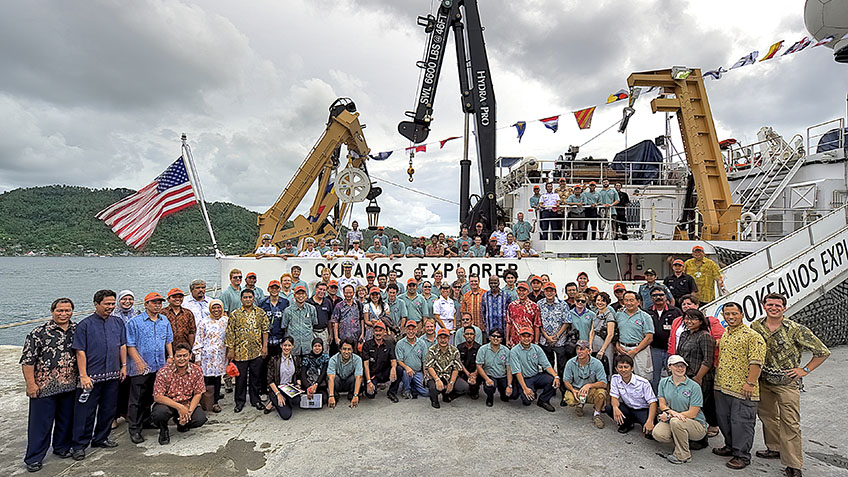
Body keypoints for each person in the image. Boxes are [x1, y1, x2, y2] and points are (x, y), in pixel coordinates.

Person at [751, 293, 830, 477]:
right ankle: (775, 448)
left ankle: (793, 464)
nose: (773, 308)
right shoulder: (756, 326)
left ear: (784, 308)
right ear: (764, 306)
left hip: (787, 383)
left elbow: (822, 352)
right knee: (768, 418)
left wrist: (805, 370)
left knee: (791, 423)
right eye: (770, 304)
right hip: (763, 381)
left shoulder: (796, 329)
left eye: (778, 305)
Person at [21, 298, 78, 472]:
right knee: (40, 424)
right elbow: (27, 361)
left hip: (69, 384)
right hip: (44, 386)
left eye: (67, 310)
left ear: (72, 311)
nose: (64, 314)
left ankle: (61, 448)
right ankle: (34, 457)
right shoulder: (38, 333)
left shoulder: (77, 330)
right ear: (52, 311)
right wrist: (30, 384)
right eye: (60, 310)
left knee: (66, 420)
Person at [71, 290, 126, 461]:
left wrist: (123, 366)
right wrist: (83, 375)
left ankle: (101, 438)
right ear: (96, 304)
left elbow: (122, 345)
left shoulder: (118, 322)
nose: (110, 307)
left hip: (112, 374)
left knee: (108, 410)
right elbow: (80, 351)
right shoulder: (85, 325)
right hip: (91, 378)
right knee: (85, 413)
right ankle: (79, 445)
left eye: (112, 304)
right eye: (106, 304)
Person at [712, 301, 766, 470]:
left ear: (742, 314)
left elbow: (756, 362)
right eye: (727, 314)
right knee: (724, 419)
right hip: (722, 386)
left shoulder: (753, 336)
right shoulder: (727, 333)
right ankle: (730, 446)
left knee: (742, 422)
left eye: (734, 314)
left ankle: (742, 455)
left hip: (743, 388)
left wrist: (750, 383)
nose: (730, 317)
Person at [125, 292, 174, 444]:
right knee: (137, 399)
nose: (157, 305)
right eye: (153, 302)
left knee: (150, 397)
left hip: (158, 365)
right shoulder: (135, 322)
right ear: (146, 304)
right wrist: (138, 361)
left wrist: (170, 356)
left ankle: (146, 421)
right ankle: (134, 429)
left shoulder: (164, 320)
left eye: (159, 302)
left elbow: (168, 340)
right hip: (141, 367)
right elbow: (130, 344)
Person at [653, 355, 707, 465]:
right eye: (676, 366)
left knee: (676, 422)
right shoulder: (663, 382)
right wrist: (671, 412)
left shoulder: (694, 386)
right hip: (675, 418)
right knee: (658, 433)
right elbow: (662, 405)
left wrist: (670, 416)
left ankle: (683, 455)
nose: (680, 369)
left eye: (683, 366)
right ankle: (682, 440)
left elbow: (693, 413)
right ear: (669, 367)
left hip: (696, 423)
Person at [150, 343, 207, 445]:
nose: (182, 359)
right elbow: (158, 396)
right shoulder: (164, 372)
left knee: (200, 418)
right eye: (179, 356)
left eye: (185, 355)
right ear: (174, 357)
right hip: (169, 404)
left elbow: (198, 393)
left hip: (187, 403)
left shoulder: (196, 370)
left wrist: (188, 413)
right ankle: (164, 430)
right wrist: (179, 407)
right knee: (159, 413)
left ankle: (183, 424)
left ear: (190, 356)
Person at [676, 308, 718, 445]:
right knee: (688, 407)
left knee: (700, 407)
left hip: (700, 377)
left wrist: (698, 378)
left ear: (700, 321)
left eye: (693, 319)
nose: (689, 321)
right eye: (687, 318)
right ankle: (690, 434)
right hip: (685, 376)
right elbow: (679, 355)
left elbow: (708, 360)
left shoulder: (704, 336)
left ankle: (701, 438)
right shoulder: (684, 335)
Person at [224, 289, 269, 413]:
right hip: (240, 352)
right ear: (241, 299)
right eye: (245, 297)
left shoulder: (260, 313)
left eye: (250, 297)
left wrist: (265, 347)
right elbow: (230, 333)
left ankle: (256, 400)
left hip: (256, 351)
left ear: (254, 298)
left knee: (256, 378)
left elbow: (265, 331)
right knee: (241, 379)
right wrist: (231, 350)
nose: (248, 299)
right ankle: (240, 401)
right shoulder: (235, 314)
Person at [509, 327, 560, 412]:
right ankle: (523, 389)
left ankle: (543, 400)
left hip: (536, 376)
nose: (526, 339)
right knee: (527, 401)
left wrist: (556, 376)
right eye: (524, 336)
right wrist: (525, 388)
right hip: (524, 378)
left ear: (532, 337)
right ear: (520, 337)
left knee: (552, 380)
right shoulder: (514, 351)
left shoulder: (537, 348)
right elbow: (517, 372)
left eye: (528, 336)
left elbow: (546, 365)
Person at [607, 354, 657, 436]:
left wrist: (650, 421)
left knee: (652, 434)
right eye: (620, 367)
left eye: (626, 367)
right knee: (609, 408)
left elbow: (653, 403)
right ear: (616, 369)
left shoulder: (643, 382)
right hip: (628, 407)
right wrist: (615, 408)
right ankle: (627, 424)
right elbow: (614, 396)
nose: (623, 370)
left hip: (642, 409)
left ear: (632, 368)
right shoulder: (615, 378)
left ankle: (647, 422)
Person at [192, 299, 228, 413]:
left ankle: (215, 402)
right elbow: (199, 340)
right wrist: (197, 357)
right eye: (214, 308)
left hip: (220, 356)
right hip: (206, 357)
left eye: (219, 308)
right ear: (210, 309)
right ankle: (204, 401)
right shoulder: (204, 322)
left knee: (217, 379)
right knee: (205, 380)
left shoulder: (226, 321)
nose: (216, 310)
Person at [562, 340, 607, 428]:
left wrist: (589, 385)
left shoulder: (597, 363)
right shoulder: (570, 363)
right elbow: (566, 381)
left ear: (589, 351)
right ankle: (579, 405)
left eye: (582, 349)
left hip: (591, 390)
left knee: (601, 393)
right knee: (569, 398)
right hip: (577, 390)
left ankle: (597, 414)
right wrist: (572, 390)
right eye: (578, 349)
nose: (579, 351)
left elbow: (604, 383)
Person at [645, 288, 682, 392]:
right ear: (651, 298)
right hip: (654, 349)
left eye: (661, 295)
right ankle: (656, 401)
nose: (658, 297)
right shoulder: (647, 312)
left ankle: (673, 398)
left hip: (671, 350)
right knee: (655, 377)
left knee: (674, 375)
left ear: (666, 297)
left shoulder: (675, 311)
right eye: (655, 295)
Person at [111, 290, 138, 424]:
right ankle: (114, 416)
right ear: (119, 300)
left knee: (131, 384)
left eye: (130, 299)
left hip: (133, 353)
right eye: (124, 299)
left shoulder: (137, 314)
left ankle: (127, 412)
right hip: (116, 353)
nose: (127, 302)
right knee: (117, 385)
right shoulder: (113, 315)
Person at [615, 291, 654, 380]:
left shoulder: (645, 316)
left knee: (642, 377)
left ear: (638, 302)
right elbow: (616, 332)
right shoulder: (618, 315)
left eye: (632, 300)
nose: (629, 303)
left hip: (640, 350)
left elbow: (649, 337)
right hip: (622, 349)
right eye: (626, 300)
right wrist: (617, 346)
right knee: (623, 376)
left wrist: (635, 351)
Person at [424, 328, 467, 409]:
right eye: (441, 338)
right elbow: (429, 367)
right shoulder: (431, 350)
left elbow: (456, 368)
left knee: (464, 387)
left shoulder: (455, 350)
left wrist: (451, 383)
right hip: (435, 376)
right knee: (434, 388)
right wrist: (437, 380)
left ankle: (448, 395)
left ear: (449, 338)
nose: (443, 340)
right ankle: (434, 399)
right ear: (437, 339)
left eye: (445, 338)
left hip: (448, 375)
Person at [537, 281, 569, 383]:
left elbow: (566, 322)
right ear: (544, 292)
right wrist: (547, 337)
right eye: (547, 291)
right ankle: (550, 388)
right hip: (544, 341)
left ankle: (563, 389)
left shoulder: (563, 304)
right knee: (547, 366)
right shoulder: (539, 304)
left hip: (560, 341)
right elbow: (538, 323)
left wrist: (556, 336)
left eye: (551, 291)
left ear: (555, 292)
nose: (549, 293)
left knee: (561, 366)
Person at [362, 322, 400, 402]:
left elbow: (393, 359)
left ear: (384, 332)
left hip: (385, 373)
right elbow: (366, 365)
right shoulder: (367, 345)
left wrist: (393, 368)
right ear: (373, 332)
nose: (378, 333)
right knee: (370, 395)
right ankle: (365, 387)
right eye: (376, 331)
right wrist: (369, 381)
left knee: (399, 370)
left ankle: (391, 392)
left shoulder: (389, 344)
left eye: (380, 331)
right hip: (373, 375)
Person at [264, 337, 301, 419]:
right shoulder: (274, 360)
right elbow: (270, 380)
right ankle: (274, 401)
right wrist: (278, 394)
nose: (287, 348)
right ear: (281, 346)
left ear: (292, 347)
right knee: (286, 415)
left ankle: (275, 403)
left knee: (296, 401)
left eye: (289, 345)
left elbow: (298, 374)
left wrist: (298, 385)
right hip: (276, 388)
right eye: (285, 345)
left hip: (289, 388)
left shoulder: (295, 359)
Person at [475, 329, 512, 407]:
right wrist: (487, 379)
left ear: (502, 339)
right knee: (489, 387)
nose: (496, 338)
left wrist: (509, 385)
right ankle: (490, 397)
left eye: (498, 337)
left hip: (503, 376)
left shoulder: (506, 350)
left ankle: (503, 393)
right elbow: (479, 366)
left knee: (511, 394)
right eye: (493, 336)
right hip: (490, 375)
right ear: (489, 337)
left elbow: (509, 368)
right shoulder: (483, 349)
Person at [281, 286, 319, 361]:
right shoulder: (288, 311)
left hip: (308, 345)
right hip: (293, 346)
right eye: (298, 294)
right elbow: (284, 326)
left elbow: (314, 323)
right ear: (294, 296)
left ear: (306, 296)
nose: (300, 296)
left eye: (303, 294)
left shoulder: (312, 309)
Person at [395, 321, 429, 399]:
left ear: (416, 330)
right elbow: (399, 360)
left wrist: (425, 375)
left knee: (426, 393)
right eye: (409, 329)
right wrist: (407, 368)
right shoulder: (400, 343)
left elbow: (424, 360)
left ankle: (413, 386)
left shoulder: (422, 343)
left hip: (418, 372)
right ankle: (406, 390)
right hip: (406, 372)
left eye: (413, 329)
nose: (411, 331)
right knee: (406, 374)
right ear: (405, 330)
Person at [327, 339, 363, 409]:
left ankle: (352, 395)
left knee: (357, 378)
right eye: (344, 349)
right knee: (332, 378)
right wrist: (331, 396)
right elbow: (330, 378)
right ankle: (335, 396)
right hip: (338, 382)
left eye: (349, 349)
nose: (346, 352)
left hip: (348, 382)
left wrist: (356, 395)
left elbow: (359, 377)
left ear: (352, 350)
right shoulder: (333, 359)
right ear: (340, 349)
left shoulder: (357, 359)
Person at [259, 280, 289, 355]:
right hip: (266, 340)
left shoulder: (285, 303)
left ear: (280, 289)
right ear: (268, 289)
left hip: (280, 339)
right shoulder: (262, 303)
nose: (274, 290)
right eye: (272, 288)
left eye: (276, 288)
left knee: (278, 363)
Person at [300, 338, 330, 406]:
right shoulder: (307, 358)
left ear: (322, 347)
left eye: (319, 346)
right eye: (315, 346)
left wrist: (316, 384)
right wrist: (308, 387)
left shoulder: (325, 357)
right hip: (308, 383)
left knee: (324, 399)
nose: (317, 348)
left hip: (320, 384)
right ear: (312, 347)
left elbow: (323, 372)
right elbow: (303, 374)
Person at [307, 283, 334, 352]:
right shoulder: (308, 302)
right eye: (320, 289)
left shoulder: (328, 302)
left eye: (324, 290)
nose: (322, 291)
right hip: (311, 332)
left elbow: (330, 320)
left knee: (324, 352)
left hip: (324, 332)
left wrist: (330, 334)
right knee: (311, 352)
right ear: (316, 289)